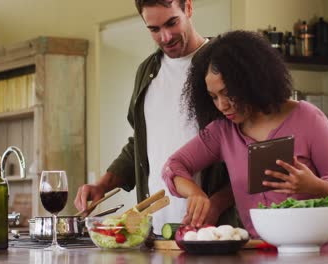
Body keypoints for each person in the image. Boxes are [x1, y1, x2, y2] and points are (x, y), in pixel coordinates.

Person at [162, 30, 328, 247]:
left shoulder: (308, 117)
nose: (222, 105)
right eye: (213, 97)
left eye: (228, 93)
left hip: (319, 252)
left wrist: (314, 185)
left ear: (251, 81)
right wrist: (196, 194)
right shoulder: (223, 131)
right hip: (259, 253)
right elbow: (174, 166)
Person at [74, 0, 239, 234]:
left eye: (172, 23)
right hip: (156, 230)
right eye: (154, 29)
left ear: (188, 8)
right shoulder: (146, 72)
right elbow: (140, 144)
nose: (165, 37)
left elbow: (248, 150)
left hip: (215, 230)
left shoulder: (223, 65)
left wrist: (217, 203)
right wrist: (102, 185)